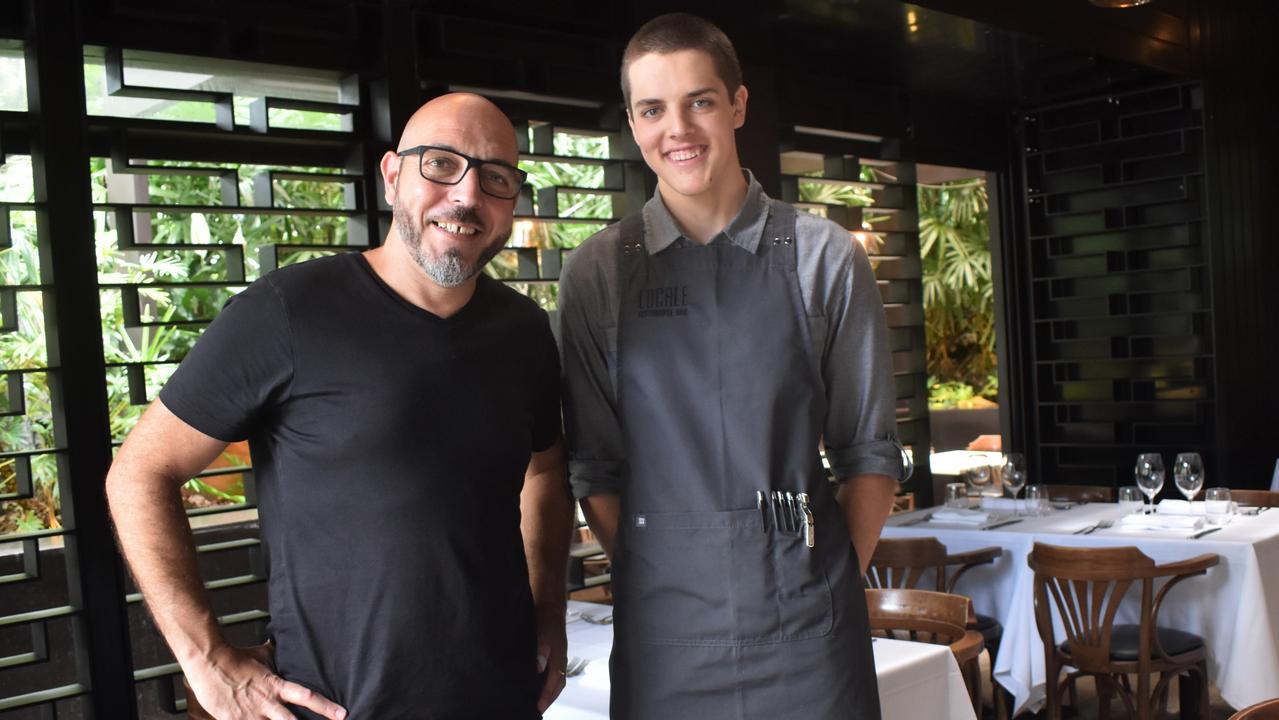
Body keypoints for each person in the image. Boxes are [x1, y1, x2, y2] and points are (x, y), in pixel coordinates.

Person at [106, 93, 574, 719]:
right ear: (391, 175)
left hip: (500, 697)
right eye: (440, 164)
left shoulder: (524, 331)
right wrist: (207, 659)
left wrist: (549, 613)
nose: (466, 196)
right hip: (337, 706)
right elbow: (139, 471)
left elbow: (544, 472)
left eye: (495, 178)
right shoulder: (290, 311)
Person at [558, 13, 908, 719]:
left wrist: (823, 582)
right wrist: (663, 575)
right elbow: (595, 468)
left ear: (738, 104)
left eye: (701, 101)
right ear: (632, 122)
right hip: (665, 641)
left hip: (811, 641)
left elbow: (869, 456)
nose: (677, 129)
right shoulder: (596, 272)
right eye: (653, 109)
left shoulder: (824, 257)